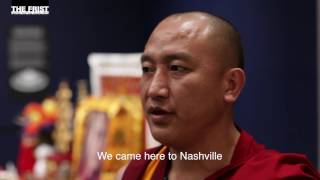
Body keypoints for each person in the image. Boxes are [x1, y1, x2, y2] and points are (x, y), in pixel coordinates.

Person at [122, 11, 320, 179]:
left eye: (176, 68)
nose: (155, 90)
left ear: (231, 85)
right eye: (147, 69)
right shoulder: (140, 170)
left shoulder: (277, 176)